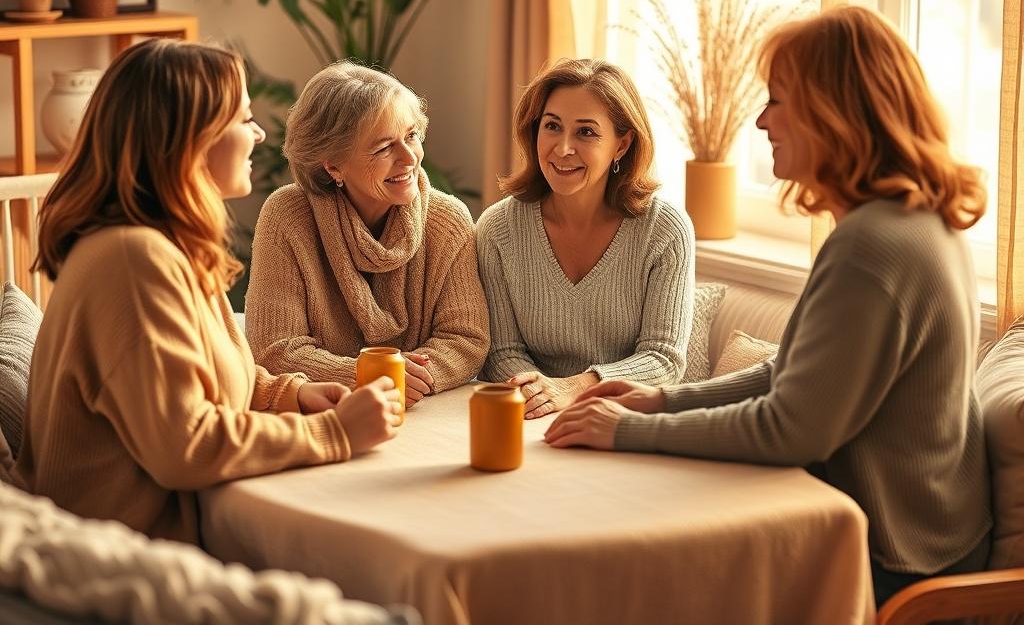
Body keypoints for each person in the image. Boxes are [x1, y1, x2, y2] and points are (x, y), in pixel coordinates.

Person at [545, 6, 992, 606]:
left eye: (777, 100)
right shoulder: (912, 221)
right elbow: (794, 378)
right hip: (932, 539)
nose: (760, 121)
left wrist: (629, 431)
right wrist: (658, 400)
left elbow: (790, 430)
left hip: (901, 565)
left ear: (830, 113)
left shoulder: (871, 247)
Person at [15, 40, 401, 543]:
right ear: (192, 141)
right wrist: (335, 434)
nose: (259, 133)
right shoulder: (134, 262)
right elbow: (185, 445)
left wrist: (289, 395)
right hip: (117, 565)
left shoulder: (168, 245)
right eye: (243, 119)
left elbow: (206, 378)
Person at [245, 62, 489, 406]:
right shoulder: (287, 216)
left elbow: (465, 339)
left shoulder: (448, 220)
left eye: (411, 136)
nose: (409, 159)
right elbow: (274, 350)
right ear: (333, 165)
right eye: (384, 147)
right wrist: (370, 374)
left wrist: (410, 378)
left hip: (424, 408)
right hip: (326, 411)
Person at [477, 58, 695, 420]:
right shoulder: (498, 228)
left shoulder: (665, 230)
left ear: (621, 145)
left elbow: (664, 359)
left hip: (632, 422)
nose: (562, 148)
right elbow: (501, 353)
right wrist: (544, 400)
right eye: (552, 126)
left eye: (586, 132)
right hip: (531, 419)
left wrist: (574, 389)